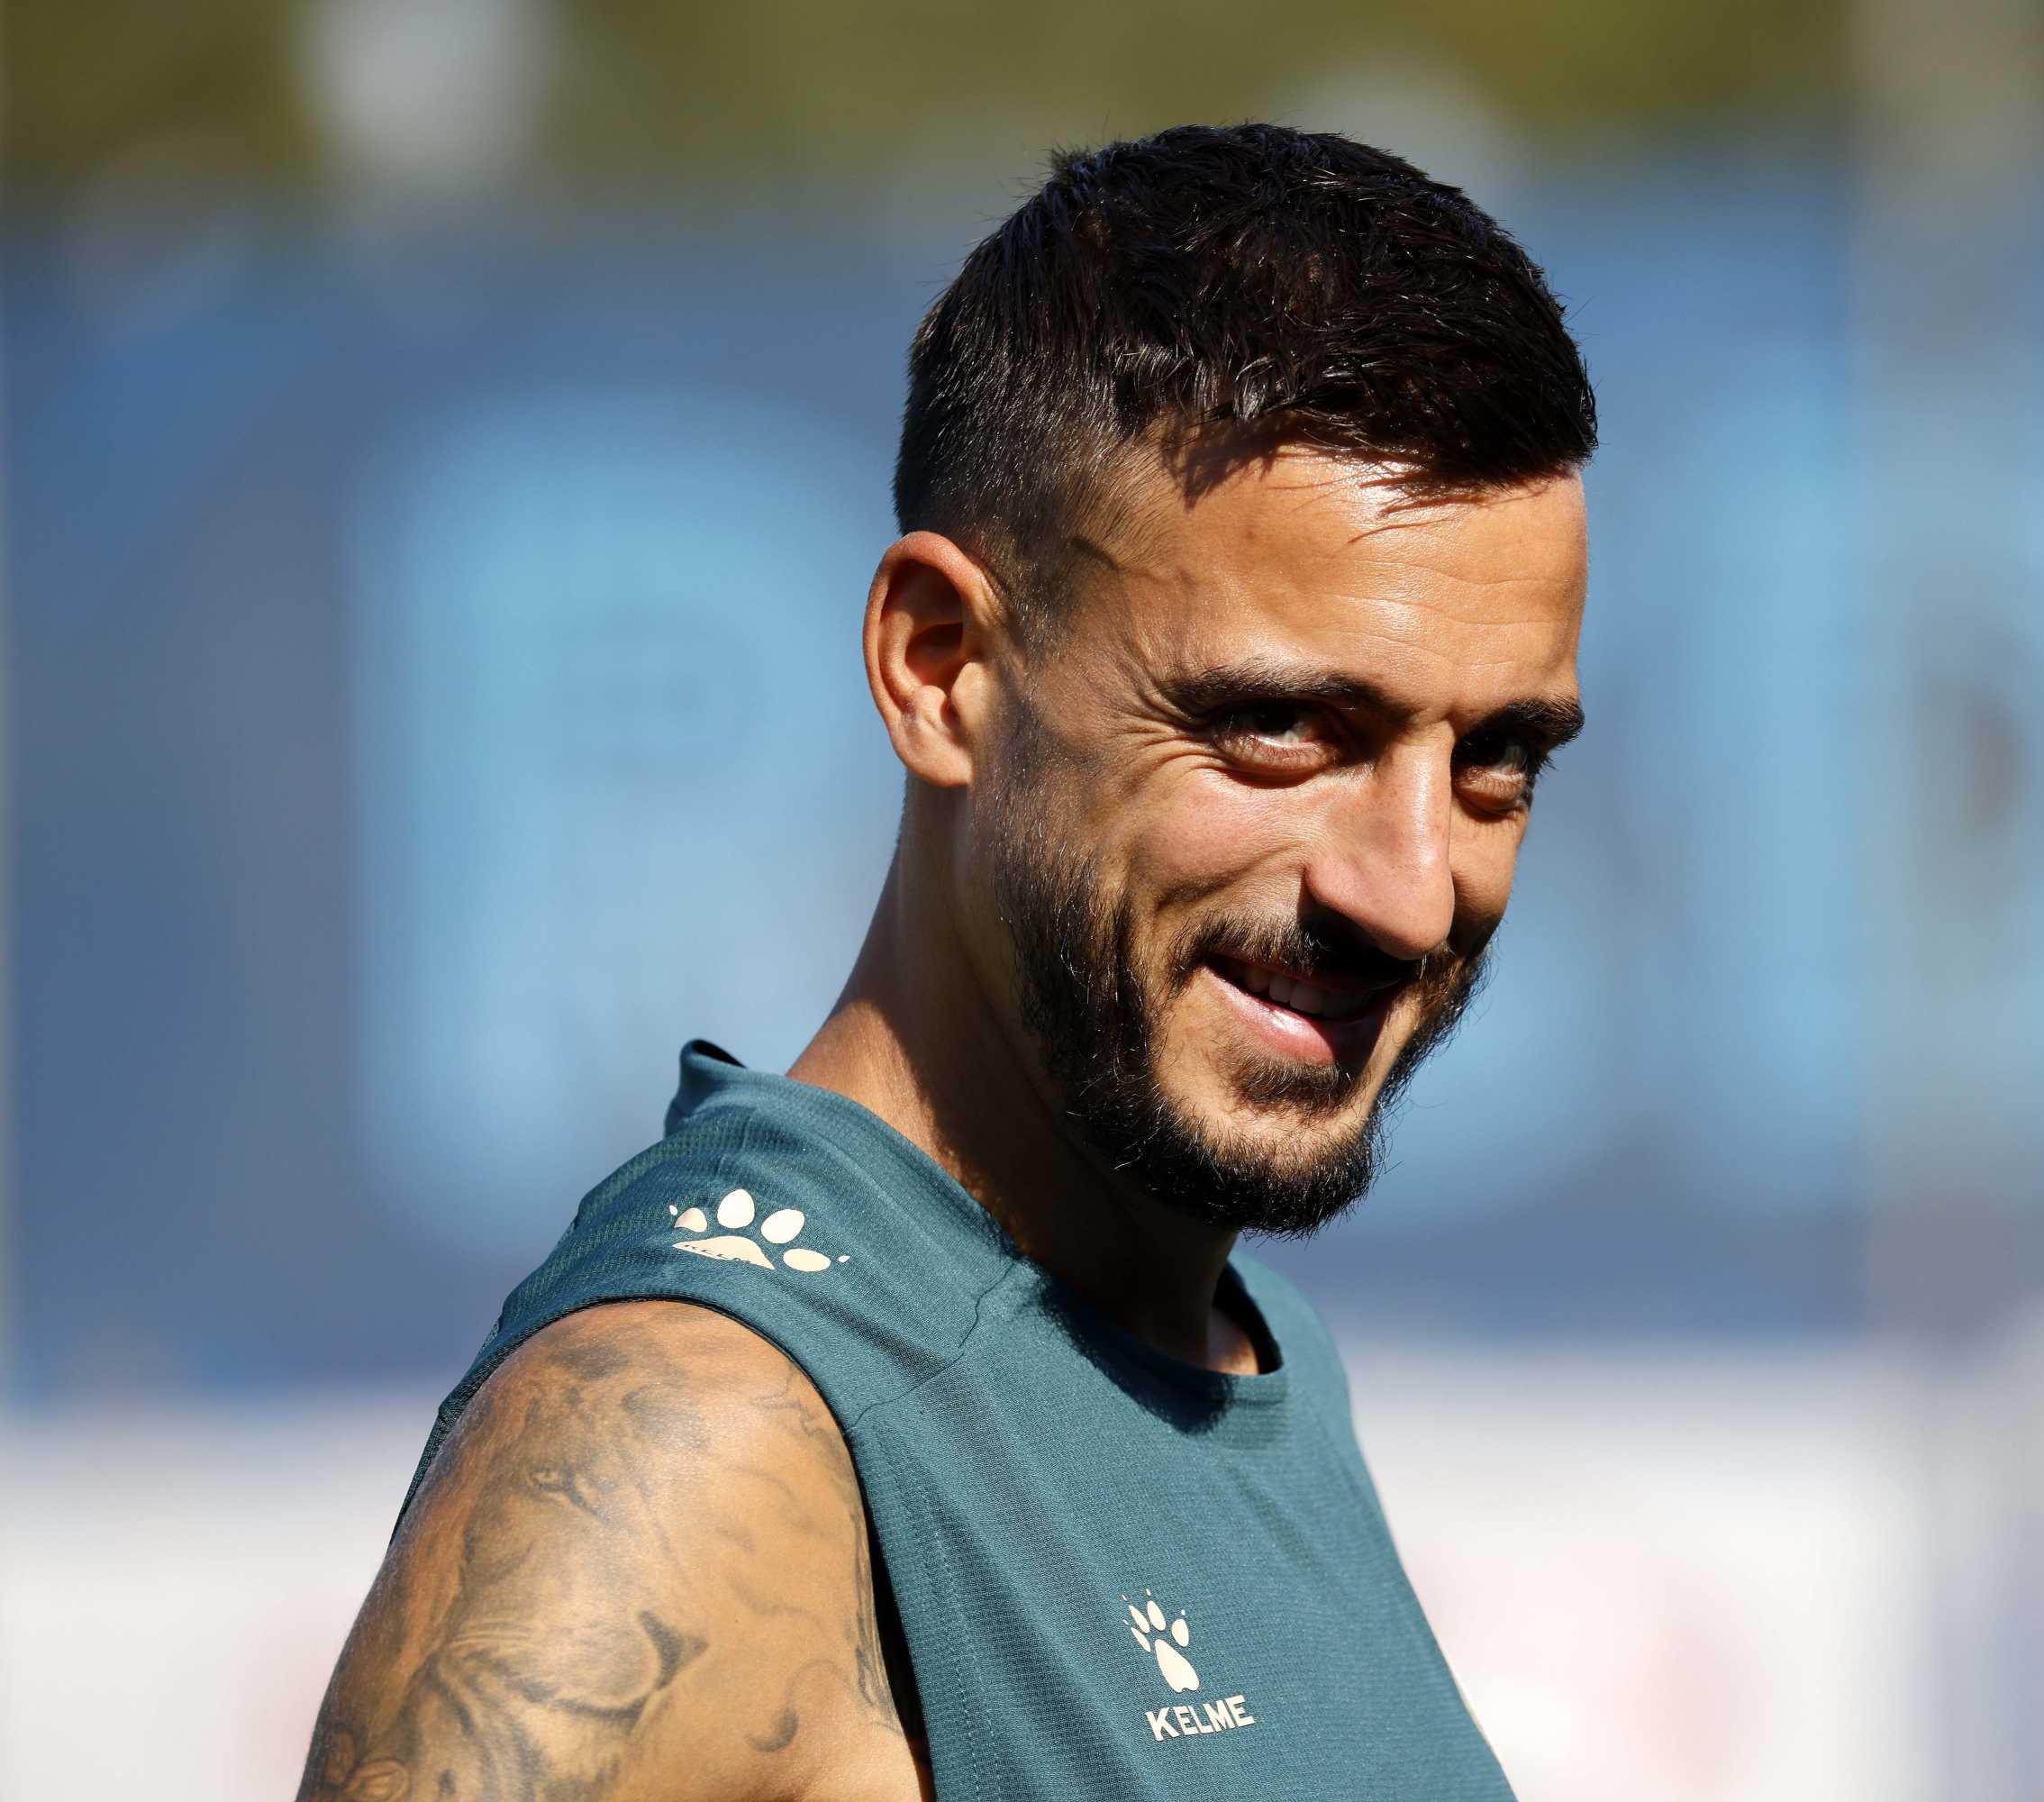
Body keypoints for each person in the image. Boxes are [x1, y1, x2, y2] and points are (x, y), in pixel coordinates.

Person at [295, 123, 1594, 1802]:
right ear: (941, 666)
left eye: (1498, 758)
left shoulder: (1240, 1352)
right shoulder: (691, 1441)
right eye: (1283, 727)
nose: (1411, 892)